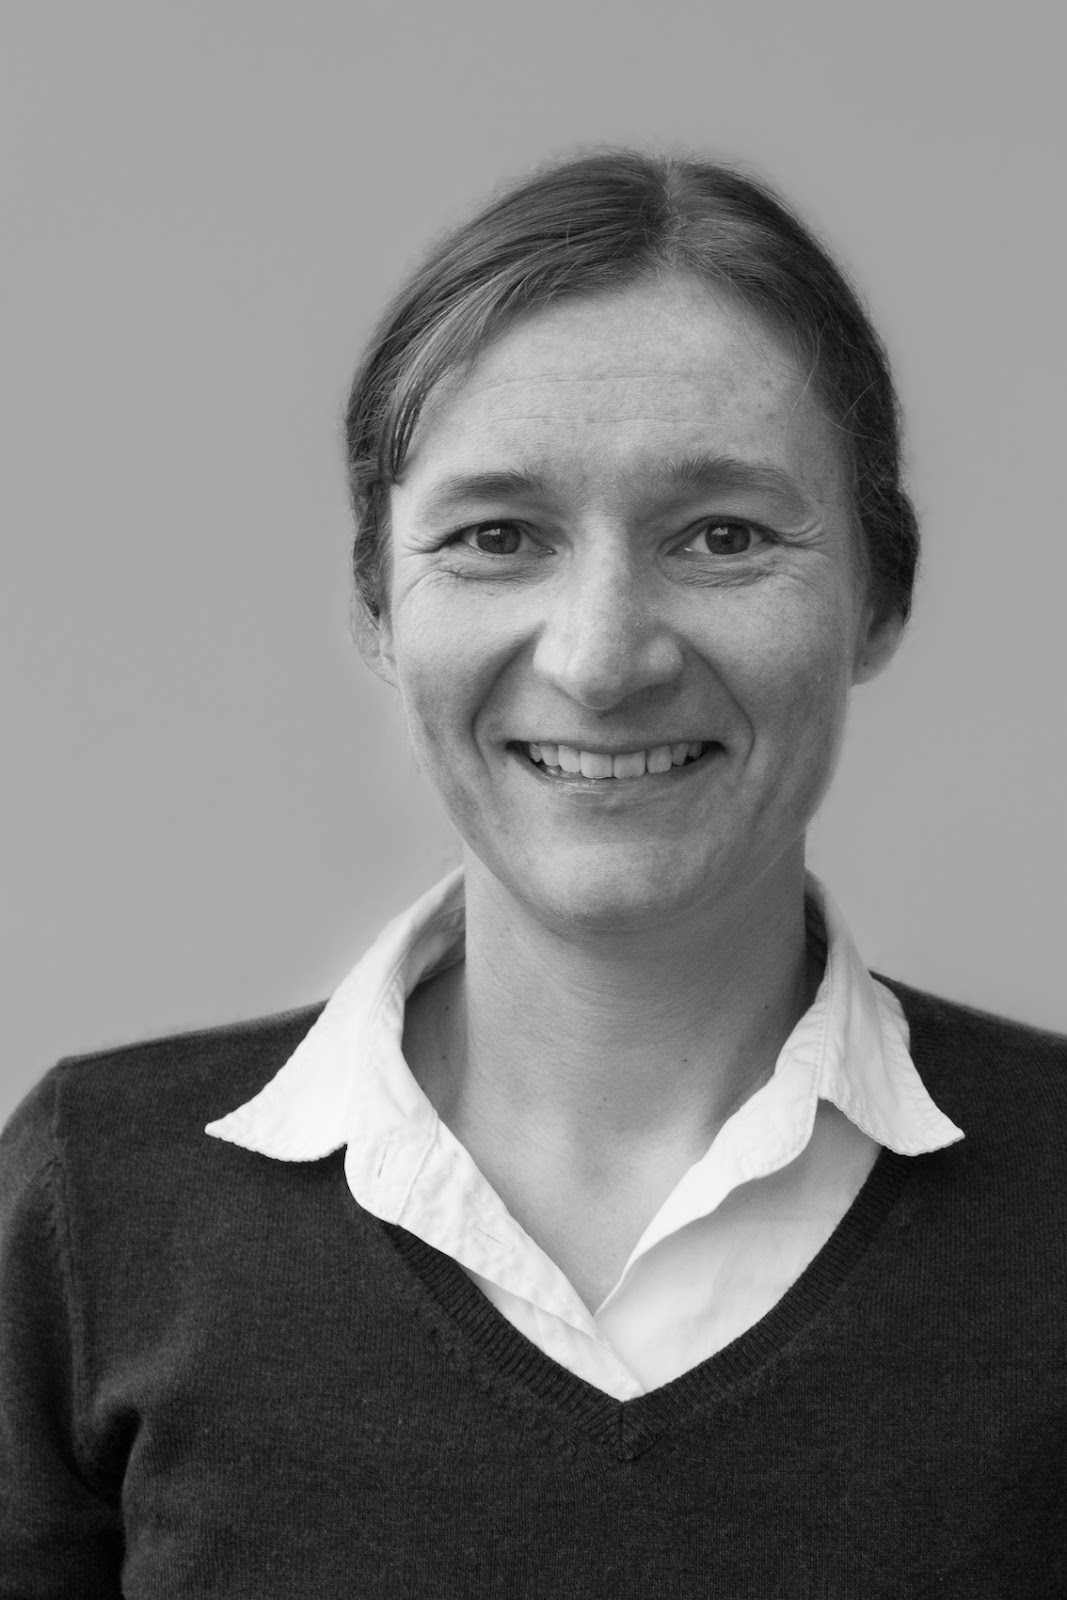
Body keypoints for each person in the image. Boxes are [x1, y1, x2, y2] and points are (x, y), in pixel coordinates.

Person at [1, 150, 1064, 1598]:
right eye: (497, 538)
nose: (602, 658)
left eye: (725, 537)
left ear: (881, 596)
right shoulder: (100, 1209)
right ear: (379, 606)